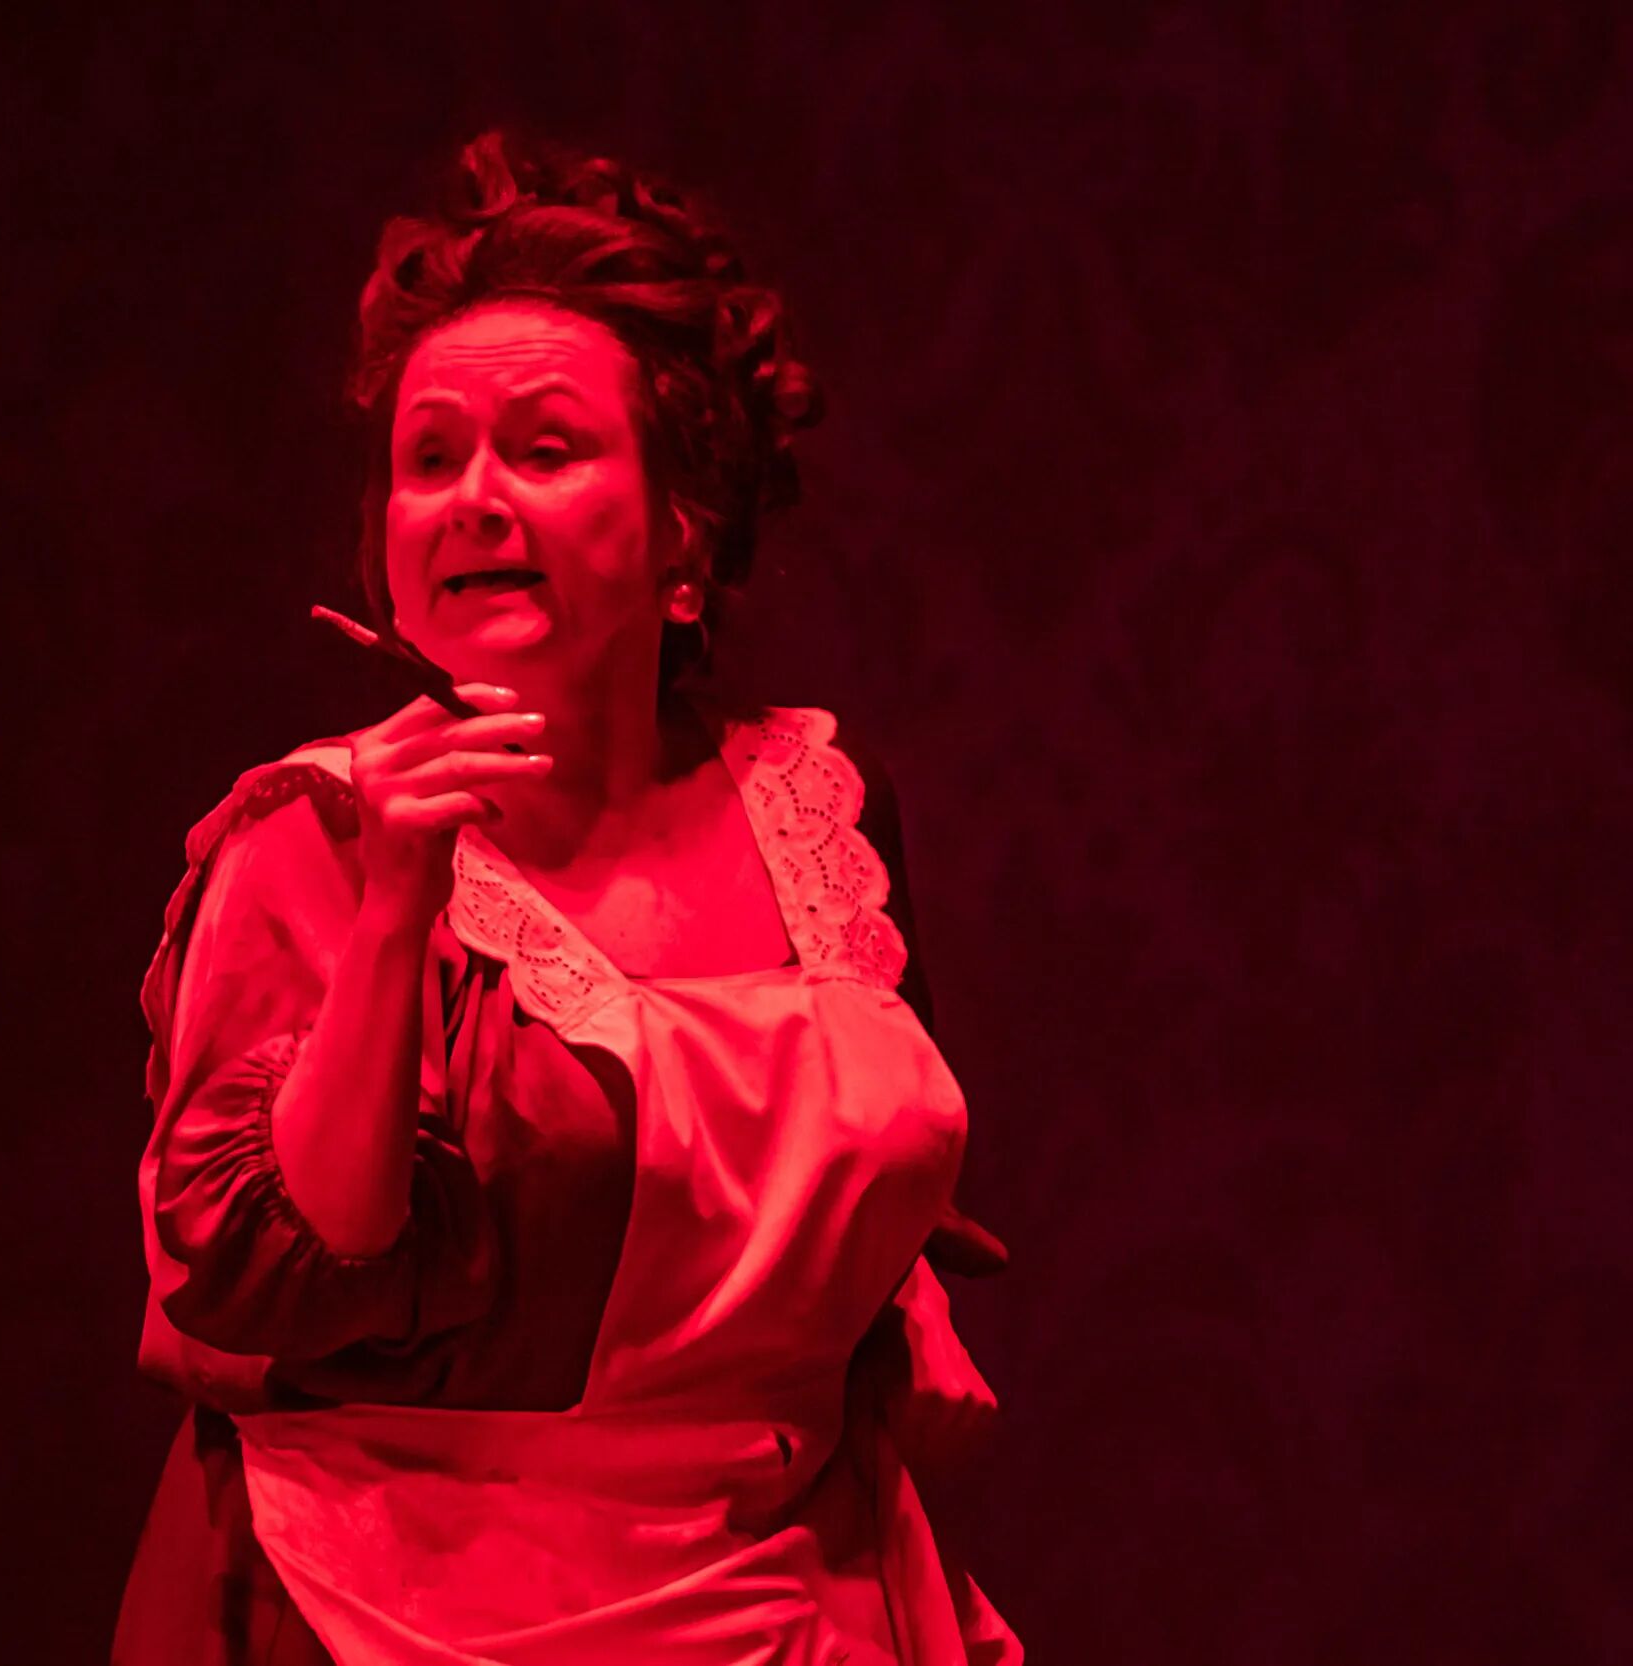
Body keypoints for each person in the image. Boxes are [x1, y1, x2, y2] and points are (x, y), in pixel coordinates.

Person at [113, 130, 1021, 1665]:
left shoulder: (814, 808)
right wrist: (397, 907)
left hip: (784, 1593)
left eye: (543, 450)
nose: (473, 498)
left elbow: (839, 1165)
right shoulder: (309, 838)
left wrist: (903, 1296)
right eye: (430, 460)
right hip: (390, 1613)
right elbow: (296, 1265)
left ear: (683, 534)